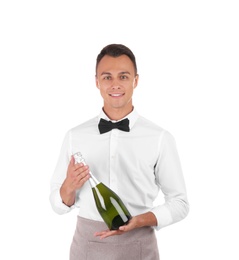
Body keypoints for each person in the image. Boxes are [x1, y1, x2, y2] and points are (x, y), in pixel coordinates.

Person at [50, 43, 189, 259]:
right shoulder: (74, 136)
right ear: (97, 82)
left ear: (136, 80)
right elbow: (57, 206)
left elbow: (180, 203)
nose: (115, 84)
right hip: (87, 247)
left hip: (139, 245)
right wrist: (68, 187)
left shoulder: (160, 137)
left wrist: (142, 220)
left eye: (123, 76)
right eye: (107, 77)